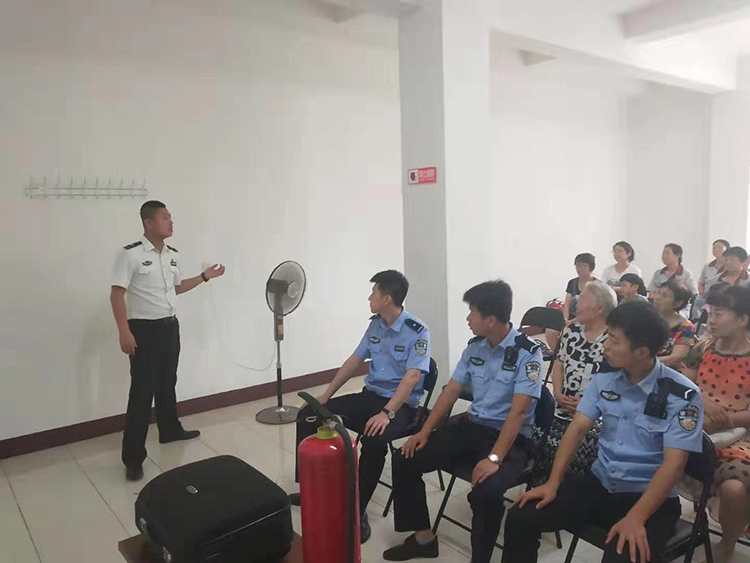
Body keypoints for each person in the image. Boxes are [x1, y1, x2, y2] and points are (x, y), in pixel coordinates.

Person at [502, 301, 704, 563]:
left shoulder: (682, 395)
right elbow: (576, 429)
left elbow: (674, 466)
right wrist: (553, 482)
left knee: (624, 556)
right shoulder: (606, 377)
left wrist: (636, 517)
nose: (605, 345)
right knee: (521, 516)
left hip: (650, 498)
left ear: (642, 351)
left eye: (614, 340)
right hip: (599, 483)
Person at [382, 280, 543, 563]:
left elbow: (518, 413)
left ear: (491, 320)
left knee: (486, 494)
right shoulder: (475, 348)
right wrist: (424, 431)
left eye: (472, 313)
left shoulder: (527, 353)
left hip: (510, 439)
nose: (468, 319)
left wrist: (494, 458)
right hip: (474, 426)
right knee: (406, 458)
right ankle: (423, 539)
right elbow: (451, 391)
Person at [290, 270, 430, 543]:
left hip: (401, 406)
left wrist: (387, 413)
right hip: (371, 396)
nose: (369, 298)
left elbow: (413, 377)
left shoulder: (418, 331)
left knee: (375, 440)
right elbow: (354, 360)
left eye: (374, 293)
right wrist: (326, 395)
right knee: (309, 414)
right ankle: (311, 488)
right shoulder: (376, 325)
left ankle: (358, 508)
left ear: (387, 299)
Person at [111, 201, 226, 482]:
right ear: (148, 222)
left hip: (169, 327)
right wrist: (124, 331)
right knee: (142, 392)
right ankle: (133, 458)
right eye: (165, 217)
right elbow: (117, 294)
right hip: (143, 330)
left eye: (170, 217)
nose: (170, 222)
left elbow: (176, 287)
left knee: (167, 382)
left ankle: (170, 430)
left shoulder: (172, 255)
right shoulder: (130, 254)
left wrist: (205, 277)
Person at [683, 285, 750, 563]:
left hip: (740, 437)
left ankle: (727, 543)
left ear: (743, 319)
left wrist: (725, 420)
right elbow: (683, 384)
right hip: (694, 428)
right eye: (710, 313)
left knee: (735, 488)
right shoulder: (703, 347)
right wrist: (700, 401)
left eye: (719, 314)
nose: (710, 320)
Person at [530, 280, 616, 488]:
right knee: (539, 441)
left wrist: (589, 406)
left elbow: (616, 383)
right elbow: (559, 362)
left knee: (583, 452)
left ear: (599, 308)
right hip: (563, 406)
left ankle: (569, 493)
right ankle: (542, 489)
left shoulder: (613, 340)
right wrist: (558, 393)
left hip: (596, 415)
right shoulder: (572, 330)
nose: (576, 304)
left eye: (583, 299)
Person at [653, 281, 696, 372]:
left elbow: (676, 357)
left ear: (677, 303)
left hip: (668, 371)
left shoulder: (687, 327)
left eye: (664, 296)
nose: (657, 297)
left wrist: (646, 363)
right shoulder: (648, 318)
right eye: (658, 292)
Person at [563, 253, 597, 321]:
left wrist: (574, 321)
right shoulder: (572, 283)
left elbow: (594, 309)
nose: (579, 269)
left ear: (591, 267)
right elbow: (567, 304)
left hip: (589, 320)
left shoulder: (597, 285)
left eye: (583, 266)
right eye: (577, 266)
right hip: (571, 319)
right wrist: (565, 320)